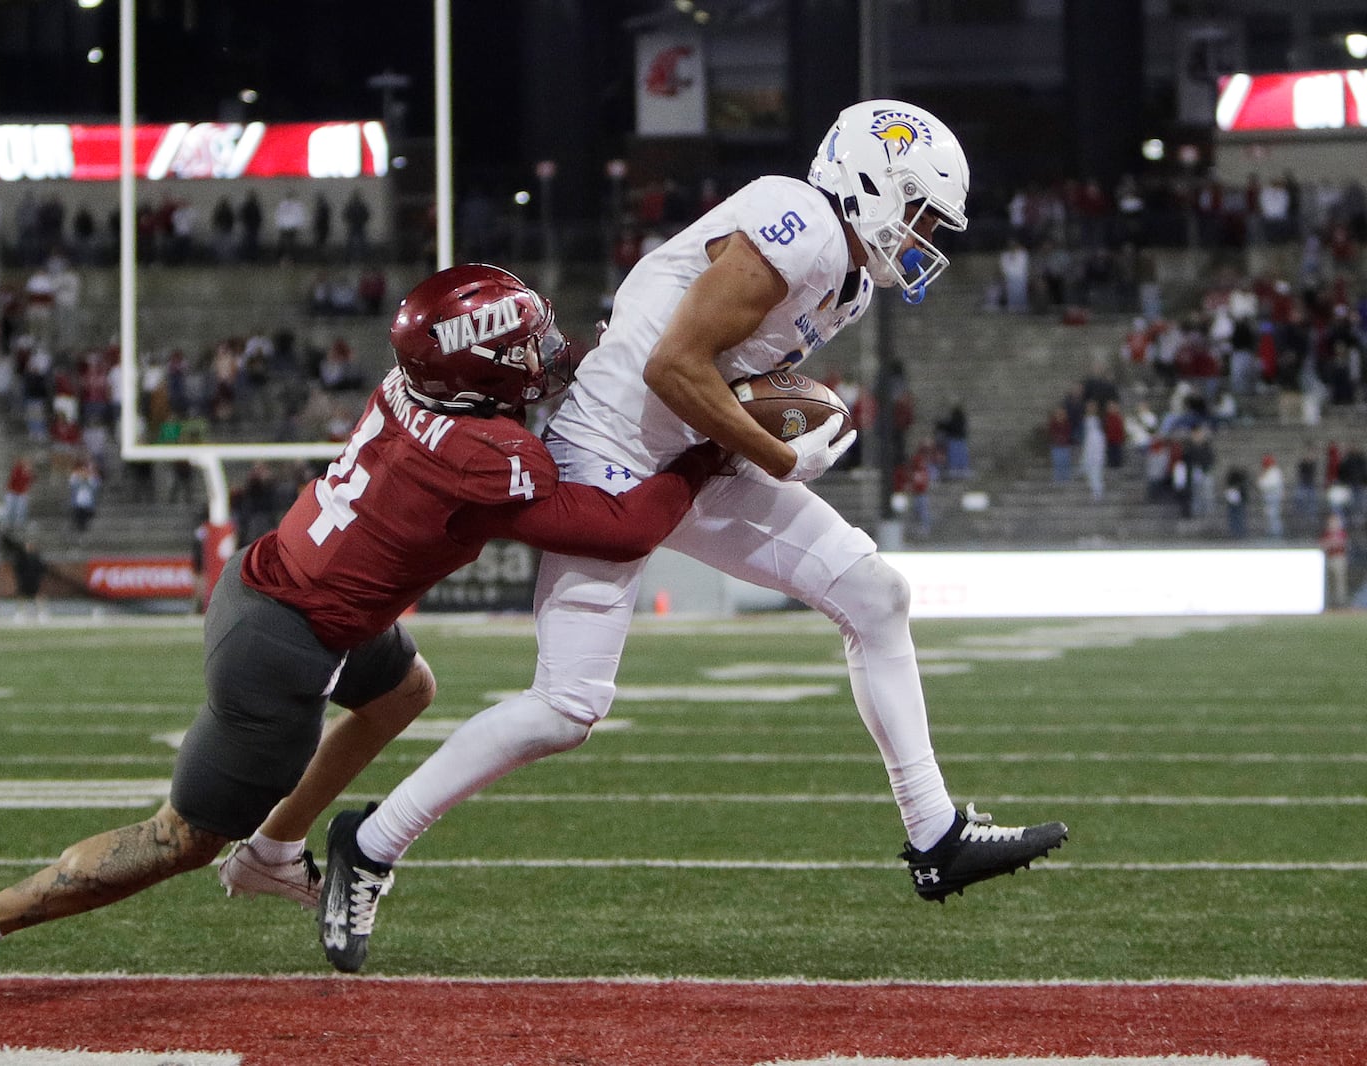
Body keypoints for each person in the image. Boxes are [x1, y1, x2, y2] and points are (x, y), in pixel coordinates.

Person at [314, 100, 1068, 974]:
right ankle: (368, 844)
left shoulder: (849, 274)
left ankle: (935, 834)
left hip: (685, 450)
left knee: (875, 594)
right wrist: (779, 456)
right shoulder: (804, 227)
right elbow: (672, 364)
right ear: (872, 182)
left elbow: (720, 370)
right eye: (922, 211)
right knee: (566, 707)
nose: (926, 235)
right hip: (605, 457)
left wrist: (759, 431)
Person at [0, 264, 726, 993]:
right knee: (180, 838)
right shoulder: (480, 455)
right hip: (281, 646)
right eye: (526, 346)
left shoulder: (421, 387)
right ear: (477, 374)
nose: (548, 352)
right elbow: (621, 529)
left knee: (406, 689)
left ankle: (272, 851)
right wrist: (706, 448)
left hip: (290, 589)